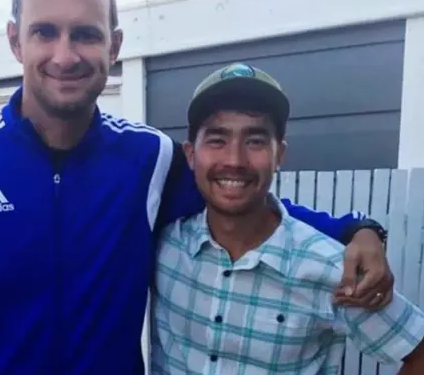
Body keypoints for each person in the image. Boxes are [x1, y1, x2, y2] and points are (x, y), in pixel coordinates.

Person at [0, 0, 392, 374]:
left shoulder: (148, 159)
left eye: (85, 34)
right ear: (16, 39)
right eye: (45, 32)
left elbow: (242, 197)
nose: (65, 55)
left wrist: (358, 229)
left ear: (115, 44)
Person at [151, 62, 424, 374]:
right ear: (189, 154)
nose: (234, 160)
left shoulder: (332, 269)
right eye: (217, 139)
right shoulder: (164, 244)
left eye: (254, 141)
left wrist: (364, 230)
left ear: (279, 155)